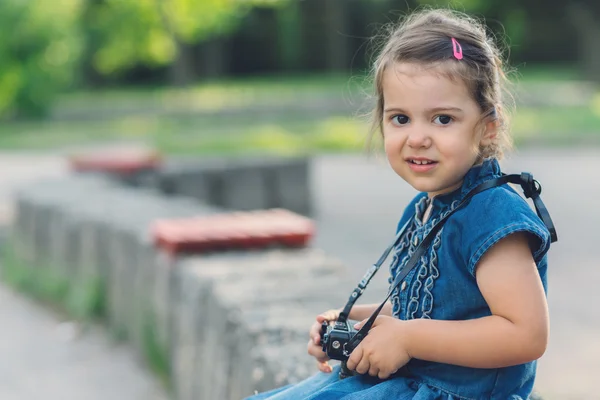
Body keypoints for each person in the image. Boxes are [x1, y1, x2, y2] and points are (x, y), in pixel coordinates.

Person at [246, 7, 554, 400]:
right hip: (408, 383)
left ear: (488, 127)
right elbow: (433, 310)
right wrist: (353, 322)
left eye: (442, 119)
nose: (418, 137)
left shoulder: (492, 214)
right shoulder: (423, 208)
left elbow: (525, 334)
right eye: (400, 119)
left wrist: (408, 338)